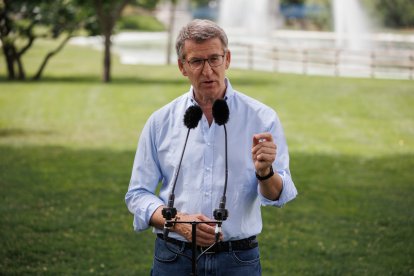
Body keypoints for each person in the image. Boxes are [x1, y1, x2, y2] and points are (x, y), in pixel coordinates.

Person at [125, 19, 297, 275]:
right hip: (173, 258)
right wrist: (177, 222)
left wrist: (265, 172)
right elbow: (137, 194)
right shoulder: (160, 121)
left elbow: (277, 195)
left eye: (214, 59)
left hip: (238, 260)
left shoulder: (262, 118)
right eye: (196, 61)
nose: (207, 71)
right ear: (182, 67)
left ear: (227, 59)